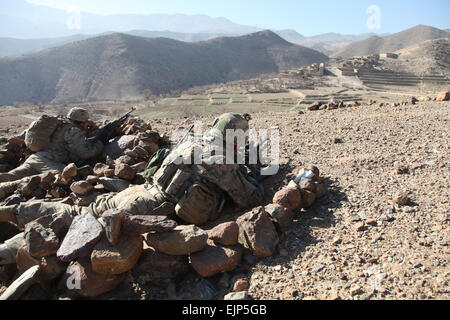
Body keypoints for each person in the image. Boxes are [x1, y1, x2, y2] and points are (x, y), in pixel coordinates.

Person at [0, 113, 266, 266]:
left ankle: (14, 210)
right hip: (145, 208)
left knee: (74, 211)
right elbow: (249, 199)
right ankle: (8, 252)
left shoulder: (192, 143)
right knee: (70, 227)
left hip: (134, 192)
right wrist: (250, 175)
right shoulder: (219, 158)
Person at [0, 107, 104, 183]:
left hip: (36, 158)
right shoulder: (72, 130)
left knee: (11, 176)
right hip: (49, 162)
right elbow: (85, 153)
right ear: (83, 122)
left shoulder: (59, 124)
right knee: (66, 178)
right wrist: (100, 143)